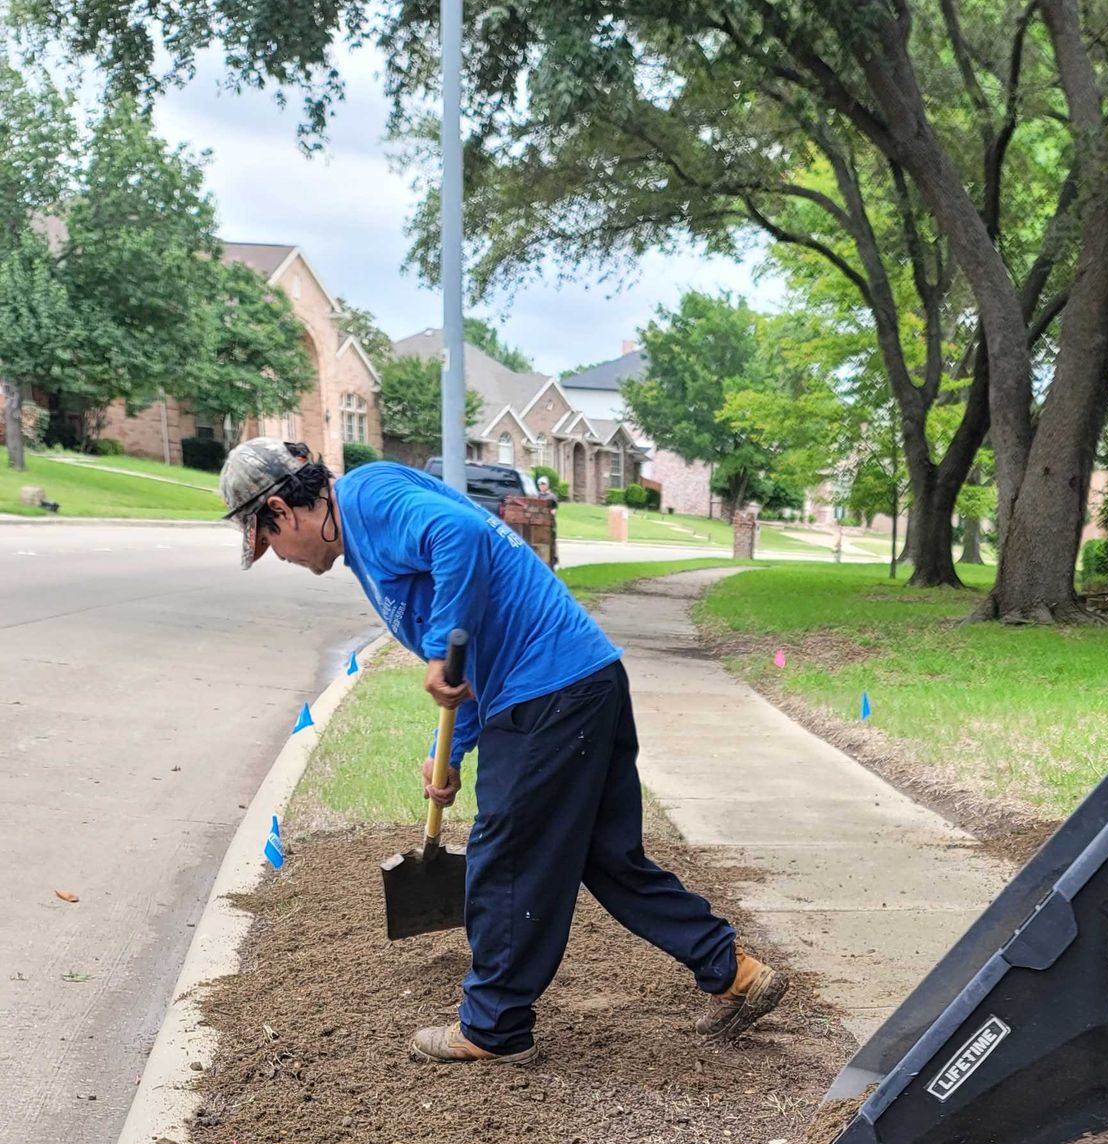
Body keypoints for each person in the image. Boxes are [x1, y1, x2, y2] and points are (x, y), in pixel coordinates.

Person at [218, 438, 786, 1062]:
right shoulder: (366, 531)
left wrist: (441, 647)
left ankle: (493, 1027)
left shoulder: (368, 496)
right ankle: (734, 971)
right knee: (607, 856)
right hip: (579, 681)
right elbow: (468, 660)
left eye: (268, 541)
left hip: (547, 692)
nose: (281, 557)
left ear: (282, 510)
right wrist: (451, 750)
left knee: (505, 859)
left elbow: (460, 535)